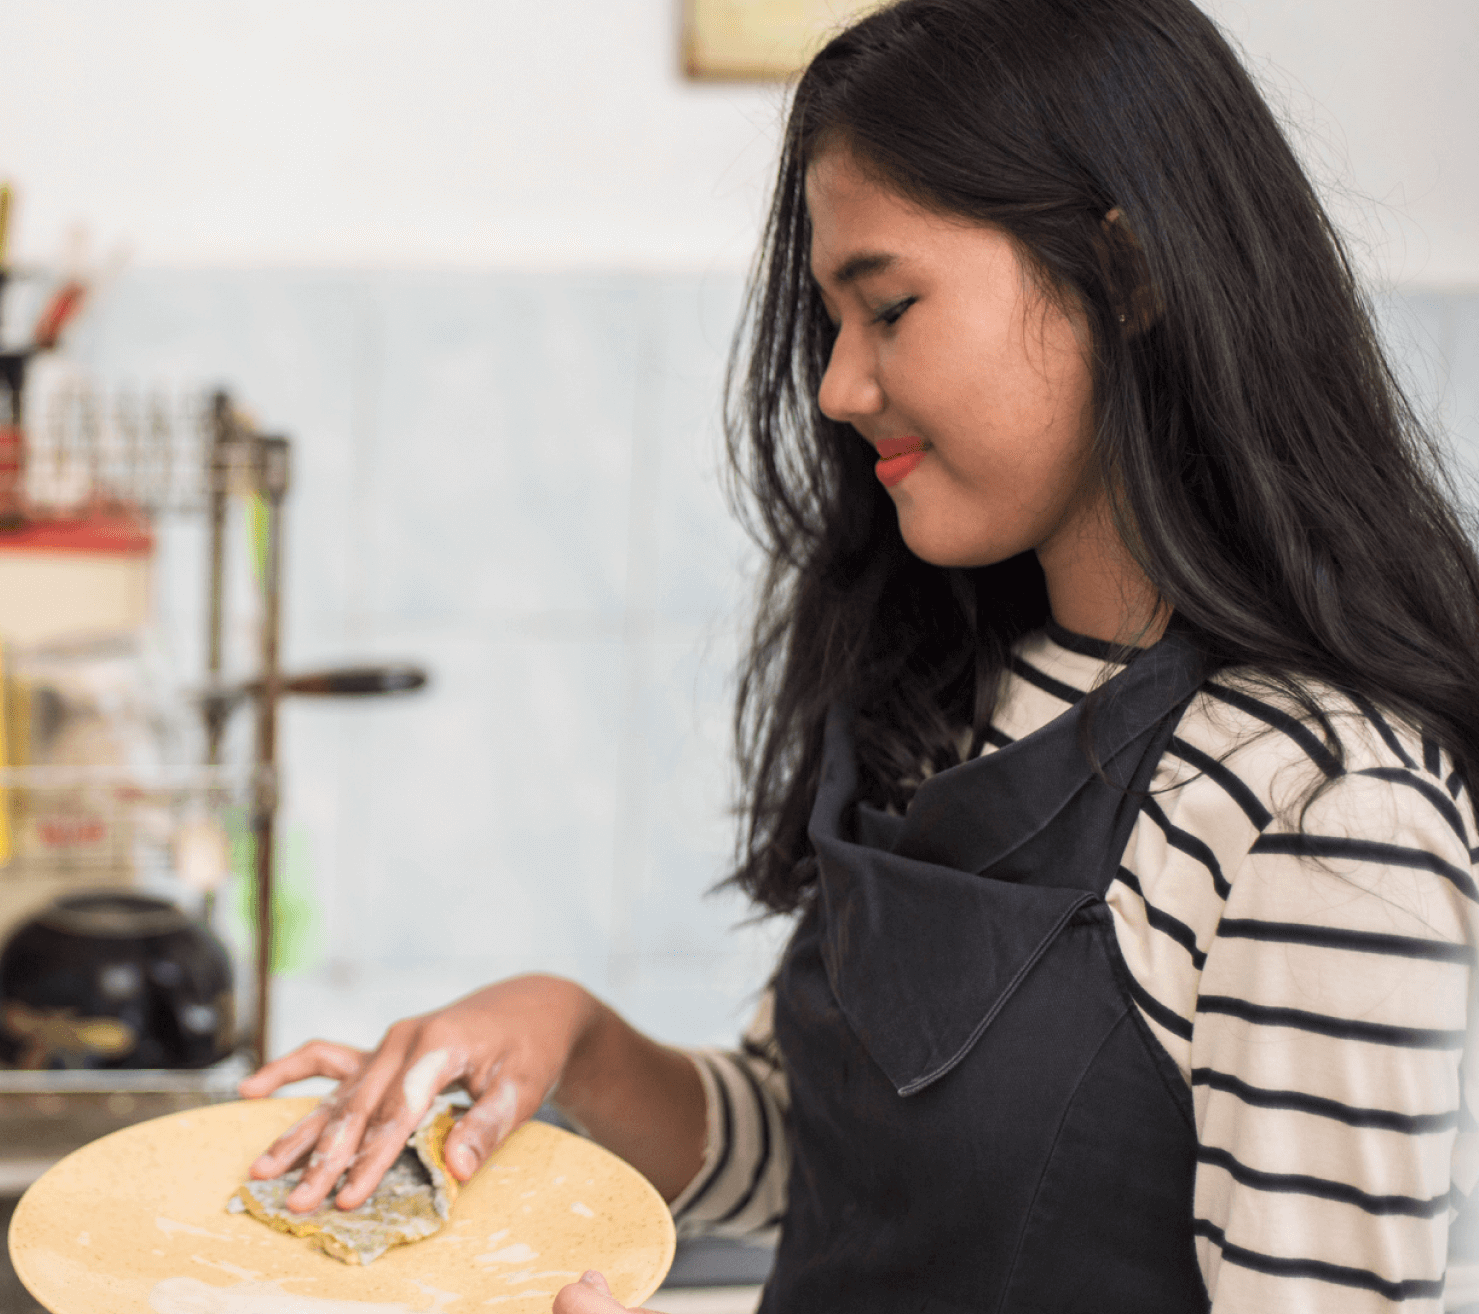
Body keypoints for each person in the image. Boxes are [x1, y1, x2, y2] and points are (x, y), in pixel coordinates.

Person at [238, 1, 1479, 1310]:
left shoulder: (1322, 807)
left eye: (889, 308)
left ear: (1124, 277)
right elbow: (823, 1162)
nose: (838, 385)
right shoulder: (955, 683)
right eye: (834, 322)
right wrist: (581, 1039)